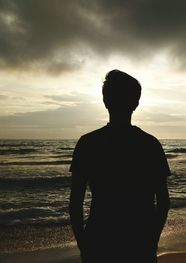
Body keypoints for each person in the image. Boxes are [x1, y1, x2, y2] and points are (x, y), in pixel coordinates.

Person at [69, 70, 171, 262]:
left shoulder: (88, 143)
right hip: (140, 243)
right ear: (136, 103)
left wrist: (84, 246)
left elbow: (75, 205)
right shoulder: (150, 144)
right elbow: (163, 202)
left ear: (105, 100)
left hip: (99, 242)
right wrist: (151, 242)